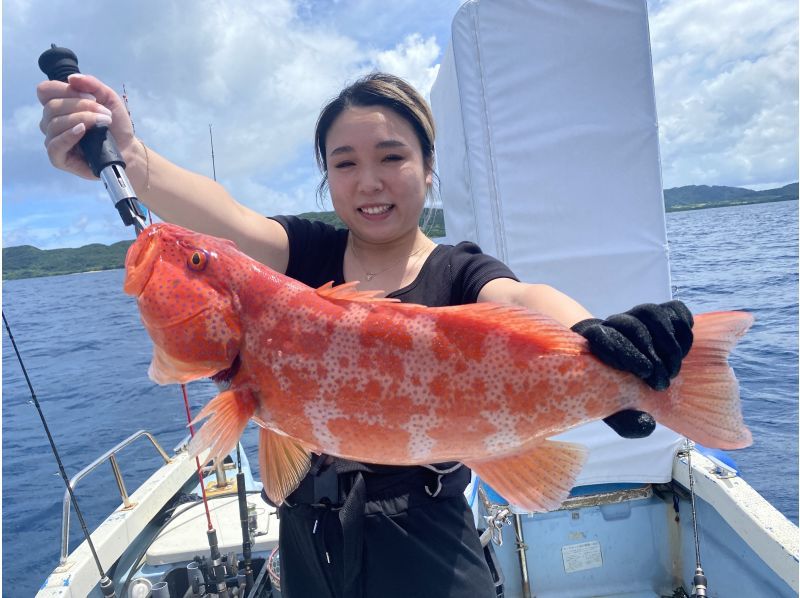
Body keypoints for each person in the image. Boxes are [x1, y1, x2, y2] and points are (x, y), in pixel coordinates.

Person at [38, 71, 693, 597]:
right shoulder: (306, 256)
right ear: (327, 175)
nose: (370, 180)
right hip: (307, 539)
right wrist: (129, 154)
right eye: (345, 162)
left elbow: (521, 300)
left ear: (429, 167)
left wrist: (593, 332)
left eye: (392, 156)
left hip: (429, 540)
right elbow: (227, 218)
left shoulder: (457, 270)